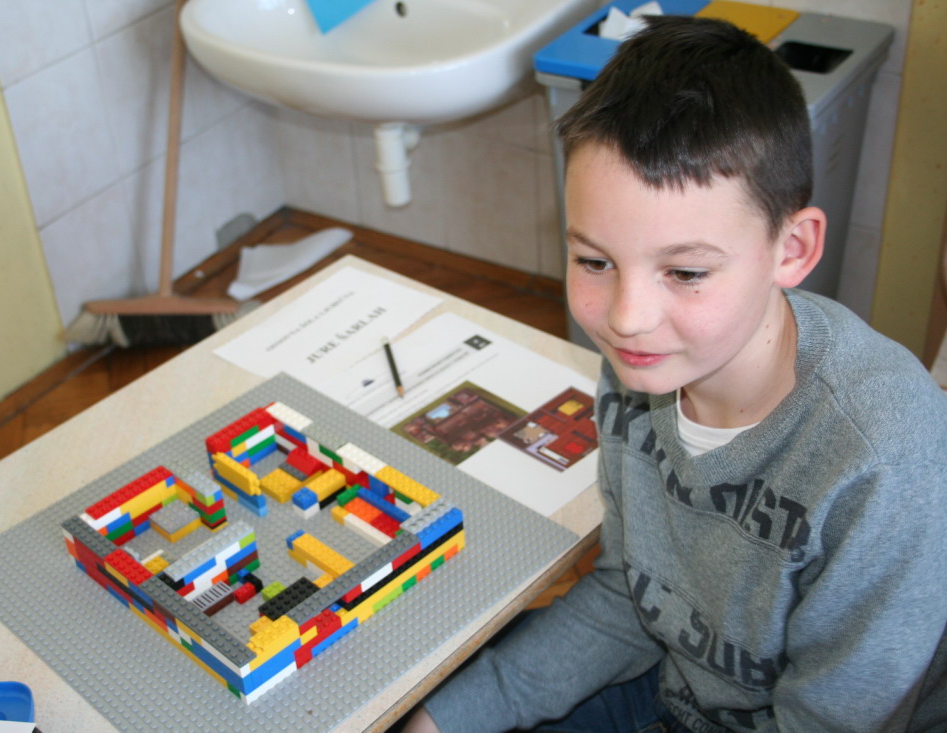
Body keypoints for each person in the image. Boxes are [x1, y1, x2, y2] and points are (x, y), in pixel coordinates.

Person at [402, 14, 947, 733]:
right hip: (671, 682)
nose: (626, 317)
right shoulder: (645, 367)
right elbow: (629, 598)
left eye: (686, 272)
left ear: (792, 248)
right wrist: (441, 719)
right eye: (594, 261)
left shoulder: (883, 458)